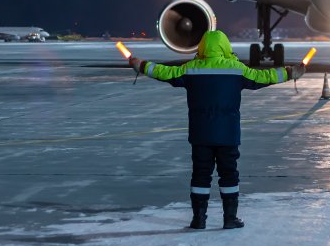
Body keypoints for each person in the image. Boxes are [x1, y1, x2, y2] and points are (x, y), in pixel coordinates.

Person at [129, 30, 305, 230]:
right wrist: (291, 72)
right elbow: (264, 76)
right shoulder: (236, 69)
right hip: (228, 134)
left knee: (200, 175)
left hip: (200, 134)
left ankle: (199, 219)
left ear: (202, 47)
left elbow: (164, 72)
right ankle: (230, 218)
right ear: (225, 47)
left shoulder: (191, 69)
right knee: (229, 175)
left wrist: (141, 65)